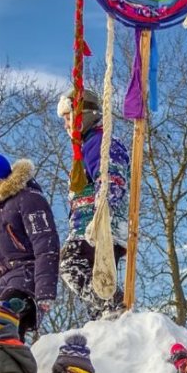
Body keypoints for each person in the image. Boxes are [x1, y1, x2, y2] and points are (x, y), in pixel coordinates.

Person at [0, 146, 59, 339]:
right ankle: (8, 368)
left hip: (28, 281)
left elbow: (45, 243)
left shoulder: (29, 200)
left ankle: (12, 364)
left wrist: (45, 291)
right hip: (7, 284)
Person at [56, 88, 130, 319]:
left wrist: (101, 210)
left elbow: (111, 178)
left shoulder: (99, 141)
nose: (66, 125)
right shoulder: (86, 145)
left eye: (68, 117)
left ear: (83, 115)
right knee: (95, 276)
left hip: (99, 226)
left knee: (71, 263)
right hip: (87, 226)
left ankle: (112, 304)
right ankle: (103, 317)